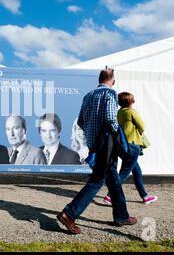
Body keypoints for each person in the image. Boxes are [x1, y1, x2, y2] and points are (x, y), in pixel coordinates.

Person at [57, 69, 137, 234]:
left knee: (113, 181)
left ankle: (122, 215)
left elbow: (80, 121)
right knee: (97, 181)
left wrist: (91, 134)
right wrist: (117, 134)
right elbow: (110, 118)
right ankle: (69, 213)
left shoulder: (88, 95)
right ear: (113, 81)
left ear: (99, 79)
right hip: (106, 146)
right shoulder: (110, 94)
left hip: (94, 144)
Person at [103, 92, 158, 205]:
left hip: (122, 146)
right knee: (124, 173)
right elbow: (142, 126)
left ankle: (145, 196)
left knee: (137, 171)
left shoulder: (118, 113)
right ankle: (109, 196)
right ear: (130, 102)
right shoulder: (131, 111)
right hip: (133, 145)